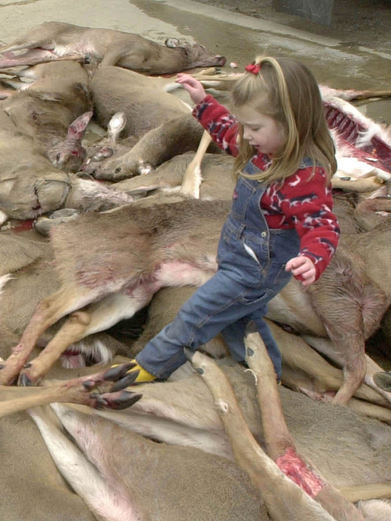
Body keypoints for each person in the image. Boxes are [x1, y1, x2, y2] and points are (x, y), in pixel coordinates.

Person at [124, 56, 340, 384]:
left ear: (292, 121)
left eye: (255, 128)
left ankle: (146, 368)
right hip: (237, 257)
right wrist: (203, 102)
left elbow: (322, 224)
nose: (247, 135)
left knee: (194, 316)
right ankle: (267, 376)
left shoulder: (304, 176)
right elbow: (228, 133)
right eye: (246, 125)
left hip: (254, 272)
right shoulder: (263, 149)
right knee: (243, 321)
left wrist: (312, 258)